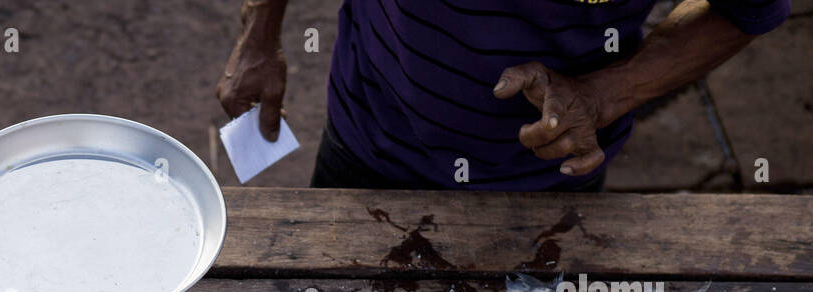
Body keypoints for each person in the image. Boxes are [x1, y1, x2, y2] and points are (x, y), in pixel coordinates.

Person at [216, 0, 790, 190]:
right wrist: (259, 29)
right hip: (372, 131)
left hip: (546, 178)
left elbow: (743, 11)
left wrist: (604, 95)